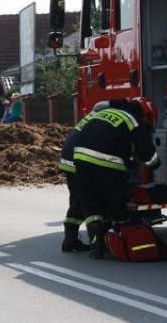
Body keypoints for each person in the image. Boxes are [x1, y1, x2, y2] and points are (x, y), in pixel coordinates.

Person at [73, 96, 160, 259]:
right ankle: (122, 239)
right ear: (146, 115)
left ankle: (96, 247)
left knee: (91, 204)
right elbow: (148, 157)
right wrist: (157, 163)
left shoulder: (105, 113)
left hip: (81, 159)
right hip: (108, 162)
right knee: (116, 203)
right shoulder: (135, 121)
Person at [57, 101, 111, 252]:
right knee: (90, 202)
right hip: (78, 165)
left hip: (68, 163)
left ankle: (70, 240)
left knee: (76, 201)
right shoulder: (98, 123)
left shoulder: (85, 121)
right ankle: (98, 243)